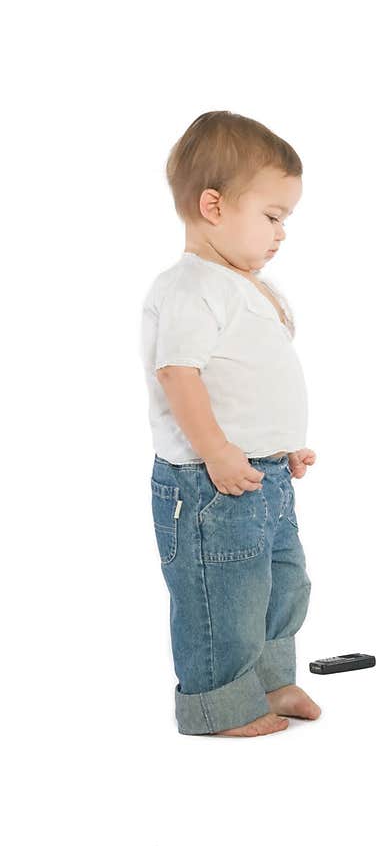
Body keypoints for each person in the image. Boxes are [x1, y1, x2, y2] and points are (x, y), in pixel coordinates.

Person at [141, 110, 321, 736]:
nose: (281, 234)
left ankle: (269, 682)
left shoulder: (244, 284)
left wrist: (284, 447)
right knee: (224, 596)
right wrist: (216, 450)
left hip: (262, 475)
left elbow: (254, 377)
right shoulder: (192, 287)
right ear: (212, 205)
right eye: (272, 217)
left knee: (280, 584)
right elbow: (179, 374)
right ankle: (219, 705)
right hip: (210, 483)